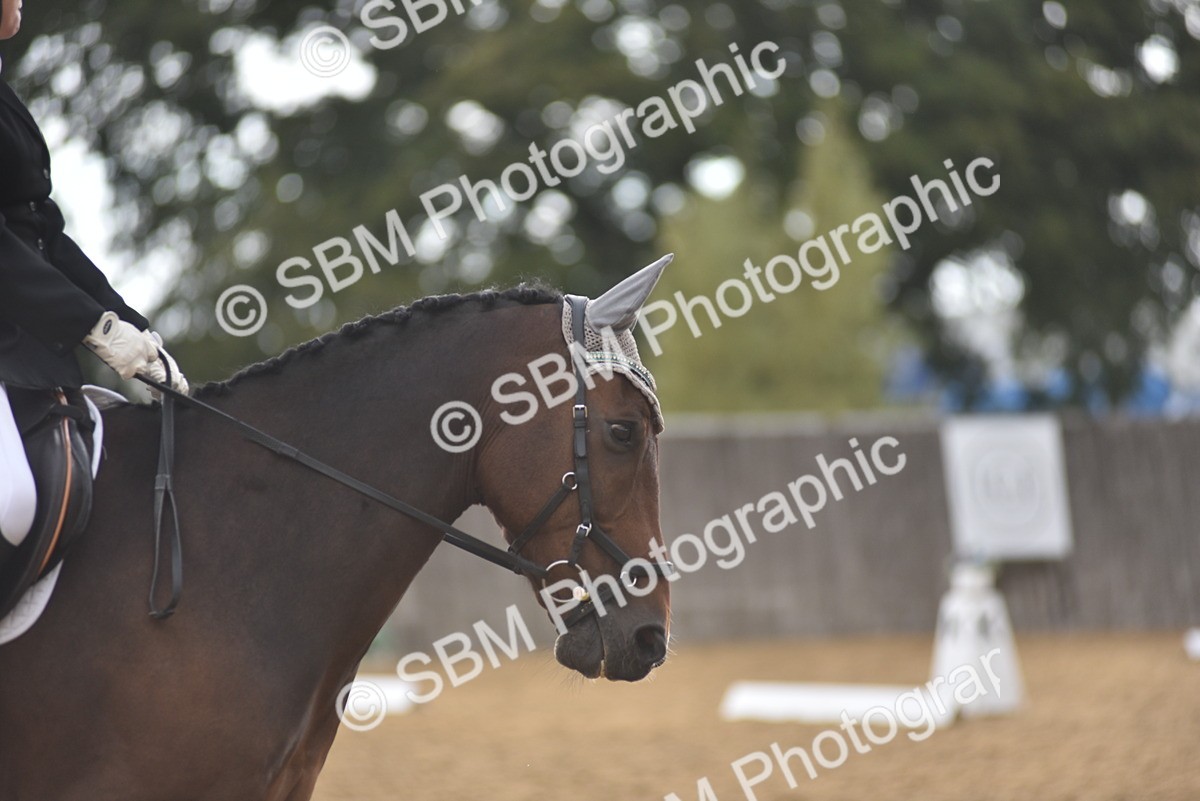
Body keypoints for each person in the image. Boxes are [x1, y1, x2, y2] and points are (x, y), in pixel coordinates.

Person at [0, 0, 188, 575]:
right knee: (14, 504)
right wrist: (91, 326)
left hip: (28, 345)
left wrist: (132, 330)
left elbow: (41, 230)